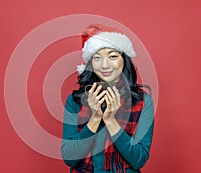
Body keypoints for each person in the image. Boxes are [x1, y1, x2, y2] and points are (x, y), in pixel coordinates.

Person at [61, 23, 155, 173]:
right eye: (97, 58)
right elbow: (69, 158)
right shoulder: (75, 101)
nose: (105, 65)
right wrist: (95, 118)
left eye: (112, 56)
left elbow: (139, 160)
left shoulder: (142, 103)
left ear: (124, 59)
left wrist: (111, 121)